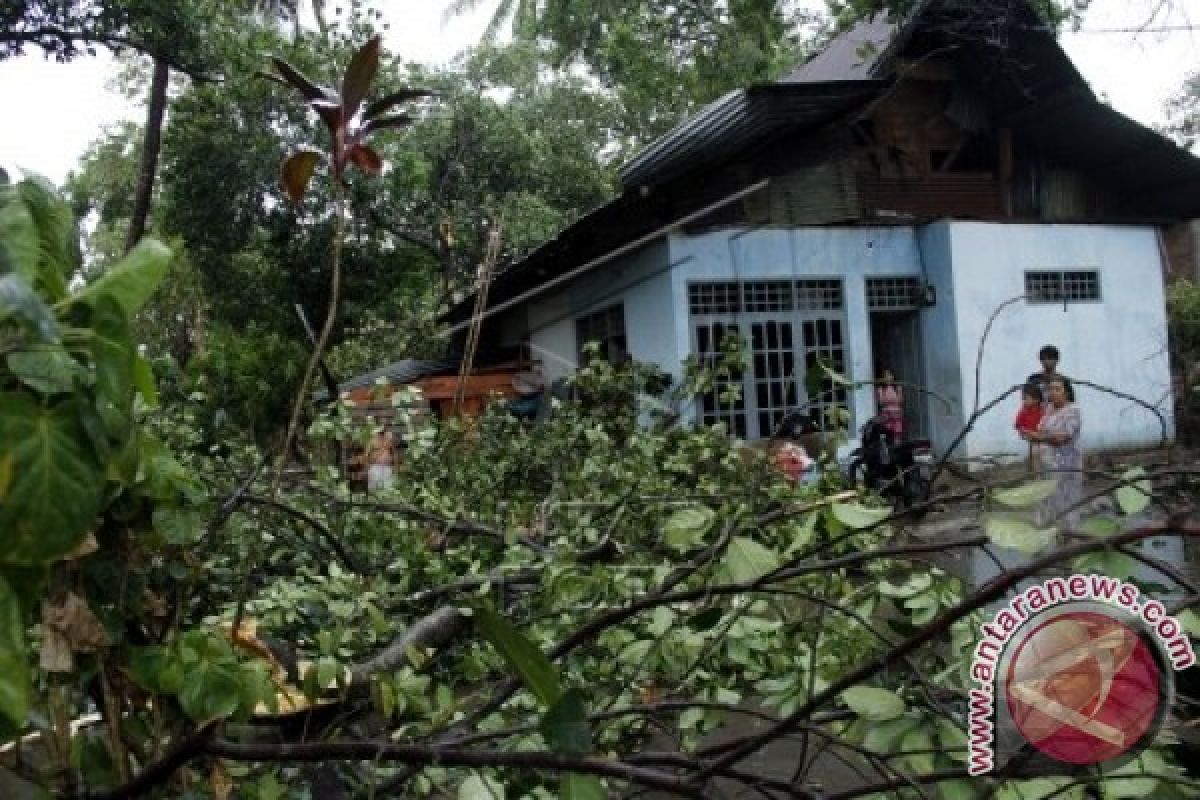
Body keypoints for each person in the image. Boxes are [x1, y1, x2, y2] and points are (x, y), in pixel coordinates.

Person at [1020, 378, 1082, 528]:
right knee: (1043, 498)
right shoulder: (1048, 409)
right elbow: (1036, 430)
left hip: (1064, 465)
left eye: (1057, 389)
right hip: (1044, 464)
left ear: (1066, 393)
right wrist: (1029, 435)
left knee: (1064, 502)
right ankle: (1047, 533)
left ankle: (1068, 535)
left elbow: (1062, 438)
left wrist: (1038, 436)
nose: (1052, 393)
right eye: (1050, 389)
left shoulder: (1072, 411)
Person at [1014, 383, 1045, 470]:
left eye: (1025, 398)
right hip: (1031, 436)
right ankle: (1037, 472)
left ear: (1036, 400)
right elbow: (1018, 424)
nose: (1023, 401)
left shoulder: (1042, 410)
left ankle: (1037, 469)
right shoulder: (1024, 411)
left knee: (1039, 452)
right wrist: (1023, 431)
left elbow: (1046, 422)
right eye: (1023, 399)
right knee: (1035, 452)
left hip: (1041, 436)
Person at [875, 368, 904, 439]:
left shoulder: (897, 387)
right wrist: (891, 400)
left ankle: (897, 448)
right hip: (886, 415)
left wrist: (899, 392)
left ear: (893, 377)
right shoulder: (881, 389)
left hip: (897, 414)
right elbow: (881, 403)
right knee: (887, 434)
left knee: (897, 435)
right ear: (882, 378)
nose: (887, 378)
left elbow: (900, 401)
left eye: (889, 375)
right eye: (885, 376)